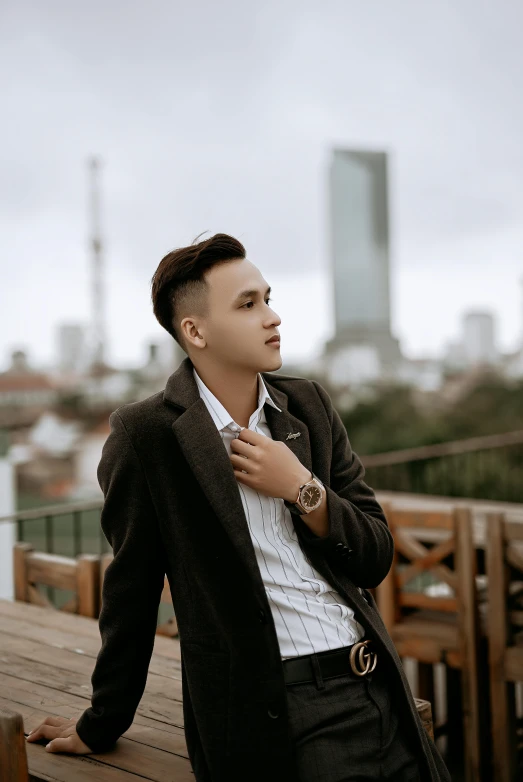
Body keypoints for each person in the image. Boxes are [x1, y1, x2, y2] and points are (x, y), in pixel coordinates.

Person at [26, 233, 451, 781]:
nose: (272, 317)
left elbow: (374, 556)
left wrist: (303, 489)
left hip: (382, 685)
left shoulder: (309, 407)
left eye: (268, 299)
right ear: (195, 330)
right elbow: (130, 593)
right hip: (283, 708)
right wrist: (100, 722)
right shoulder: (147, 435)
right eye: (248, 304)